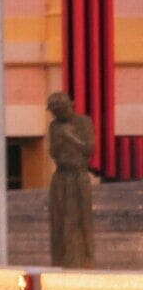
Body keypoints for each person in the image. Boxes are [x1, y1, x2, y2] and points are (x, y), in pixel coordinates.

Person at [49, 90, 101, 270]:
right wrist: (59, 139)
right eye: (54, 112)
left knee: (79, 219)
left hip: (78, 175)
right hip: (61, 176)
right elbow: (53, 152)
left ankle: (82, 260)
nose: (57, 115)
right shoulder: (54, 125)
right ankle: (61, 260)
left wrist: (70, 137)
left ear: (68, 107)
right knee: (60, 219)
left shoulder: (83, 121)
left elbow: (89, 149)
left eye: (59, 110)